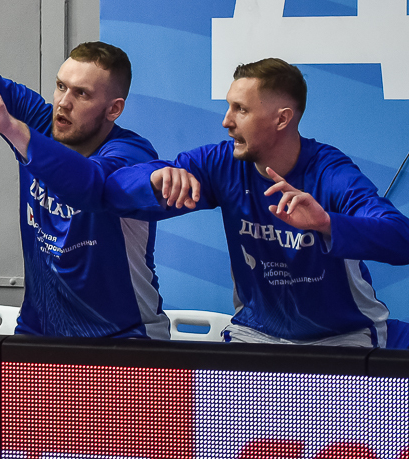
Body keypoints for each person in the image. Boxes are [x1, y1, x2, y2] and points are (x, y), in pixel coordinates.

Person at [0, 0, 166, 339]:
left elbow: (90, 182)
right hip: (39, 334)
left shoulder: (131, 155)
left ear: (114, 109)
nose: (63, 102)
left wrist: (14, 130)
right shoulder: (41, 122)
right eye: (60, 86)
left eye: (81, 94)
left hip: (122, 339)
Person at [107, 58, 409, 347]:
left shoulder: (330, 172)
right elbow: (114, 190)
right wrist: (153, 177)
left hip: (342, 337)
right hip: (255, 334)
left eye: (241, 109)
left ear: (282, 119)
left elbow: (401, 236)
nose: (226, 121)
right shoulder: (221, 163)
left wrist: (327, 224)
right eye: (229, 106)